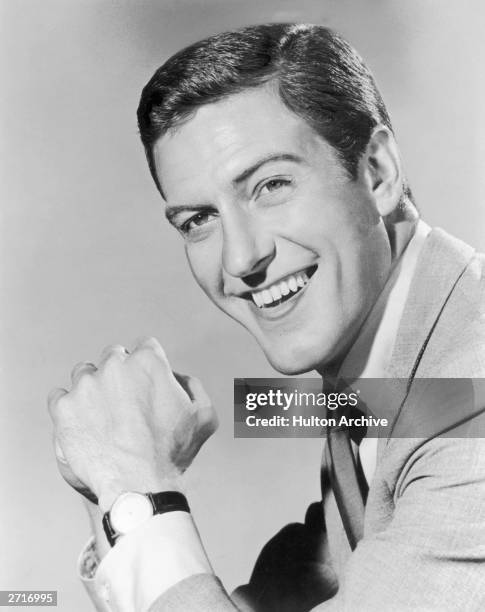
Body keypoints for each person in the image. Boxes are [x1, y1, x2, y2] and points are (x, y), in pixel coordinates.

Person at [48, 23, 485, 611]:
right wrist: (111, 468)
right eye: (198, 220)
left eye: (271, 184)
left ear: (377, 173)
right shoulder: (389, 373)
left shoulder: (469, 404)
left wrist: (134, 488)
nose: (241, 257)